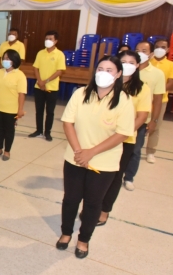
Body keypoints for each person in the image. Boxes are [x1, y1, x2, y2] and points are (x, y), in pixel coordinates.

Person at [57, 56, 134, 259]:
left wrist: (91, 152)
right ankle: (66, 233)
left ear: (118, 74)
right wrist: (79, 151)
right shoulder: (81, 93)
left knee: (93, 203)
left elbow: (122, 134)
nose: (103, 73)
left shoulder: (124, 100)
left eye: (109, 70)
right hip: (75, 158)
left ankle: (83, 240)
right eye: (100, 68)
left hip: (104, 163)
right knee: (71, 199)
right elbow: (68, 122)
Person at [99, 51, 151, 225]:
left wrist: (121, 134)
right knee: (97, 175)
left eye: (131, 62)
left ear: (137, 65)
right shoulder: (108, 83)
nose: (127, 64)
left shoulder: (142, 88)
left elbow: (141, 117)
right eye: (123, 61)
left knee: (114, 177)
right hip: (101, 138)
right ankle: (93, 206)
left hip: (124, 140)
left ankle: (104, 210)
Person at [123, 41, 165, 191]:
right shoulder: (126, 69)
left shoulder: (157, 74)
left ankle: (129, 177)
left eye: (144, 50)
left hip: (140, 119)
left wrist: (154, 120)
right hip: (120, 118)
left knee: (135, 150)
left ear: (151, 54)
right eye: (137, 49)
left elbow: (158, 99)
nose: (140, 52)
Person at [0, 50, 27, 161]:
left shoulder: (20, 75)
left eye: (8, 58)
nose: (5, 60)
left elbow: (21, 94)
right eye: (4, 58)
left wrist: (20, 109)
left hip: (11, 109)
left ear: (14, 60)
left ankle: (7, 151)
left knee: (9, 130)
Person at [29, 30, 66, 141]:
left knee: (50, 111)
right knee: (39, 110)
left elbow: (60, 71)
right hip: (39, 87)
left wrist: (45, 81)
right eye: (46, 38)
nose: (48, 41)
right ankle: (38, 130)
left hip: (52, 88)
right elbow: (36, 68)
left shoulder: (59, 54)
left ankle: (47, 132)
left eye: (50, 39)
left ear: (56, 41)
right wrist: (39, 81)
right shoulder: (40, 53)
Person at [146, 39, 173, 163]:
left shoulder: (172, 65)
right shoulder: (148, 62)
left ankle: (151, 151)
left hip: (161, 100)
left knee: (155, 126)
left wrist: (157, 91)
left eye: (163, 47)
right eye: (157, 47)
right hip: (145, 99)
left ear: (168, 49)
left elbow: (171, 83)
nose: (159, 49)